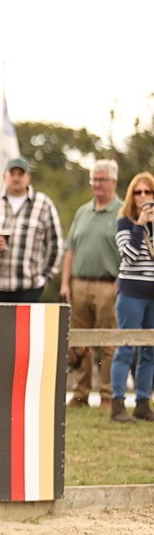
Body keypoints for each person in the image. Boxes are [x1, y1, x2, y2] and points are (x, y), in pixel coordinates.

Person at [60, 160, 123, 409]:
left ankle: (107, 395)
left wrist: (121, 282)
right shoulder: (82, 212)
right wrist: (65, 283)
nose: (96, 184)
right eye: (93, 179)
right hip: (79, 283)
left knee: (108, 341)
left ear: (113, 182)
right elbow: (70, 250)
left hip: (108, 285)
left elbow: (130, 252)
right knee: (79, 341)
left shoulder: (122, 212)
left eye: (101, 179)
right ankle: (80, 393)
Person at [0, 157, 64, 303]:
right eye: (12, 174)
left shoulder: (44, 204)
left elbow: (56, 244)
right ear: (5, 176)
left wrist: (45, 277)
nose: (16, 178)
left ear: (28, 177)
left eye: (21, 174)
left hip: (28, 288)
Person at [109, 172, 154, 423]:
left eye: (148, 192)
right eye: (139, 192)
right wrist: (140, 224)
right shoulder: (124, 222)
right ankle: (117, 404)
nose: (144, 196)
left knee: (150, 350)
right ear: (131, 196)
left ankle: (143, 403)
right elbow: (129, 255)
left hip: (152, 295)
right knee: (126, 347)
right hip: (131, 293)